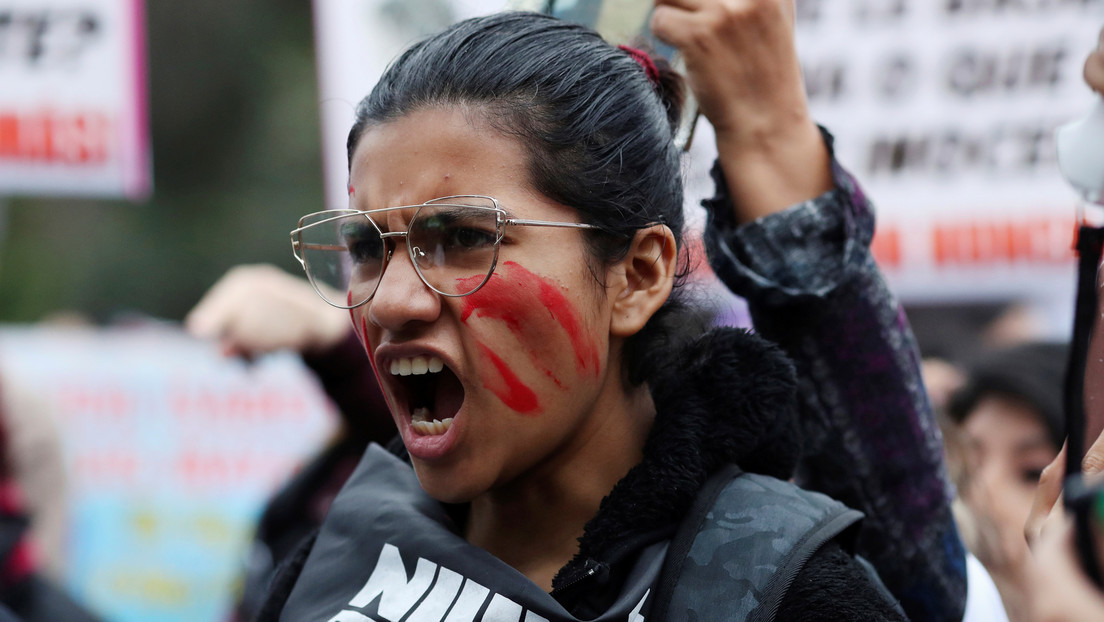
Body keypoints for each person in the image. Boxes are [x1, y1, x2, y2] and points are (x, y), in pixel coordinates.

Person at [255, 3, 917, 620]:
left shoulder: (780, 588)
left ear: (636, 275)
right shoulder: (328, 572)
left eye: (462, 239)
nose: (392, 300)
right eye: (368, 248)